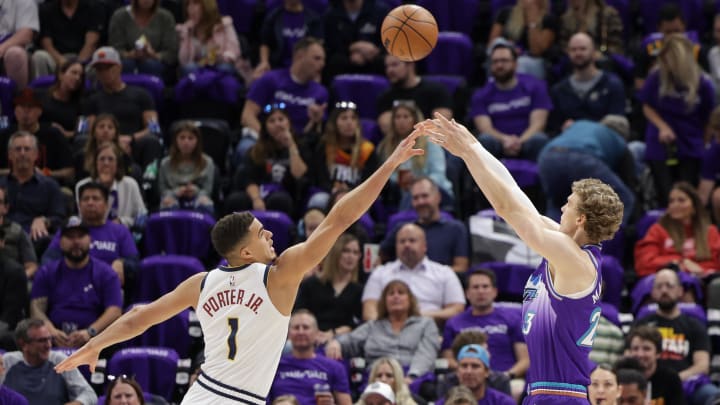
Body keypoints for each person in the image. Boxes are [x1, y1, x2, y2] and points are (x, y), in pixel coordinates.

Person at [53, 128, 425, 403]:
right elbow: (339, 219)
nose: (271, 238)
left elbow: (141, 317)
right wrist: (389, 164)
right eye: (262, 234)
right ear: (245, 251)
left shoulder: (201, 283)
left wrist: (95, 344)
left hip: (201, 394)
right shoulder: (280, 275)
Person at [418, 113, 623, 403]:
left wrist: (468, 152)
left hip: (561, 395)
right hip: (542, 392)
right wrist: (475, 146)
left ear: (581, 219)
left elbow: (508, 209)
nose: (561, 208)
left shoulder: (575, 260)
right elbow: (514, 194)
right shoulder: (566, 248)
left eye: (568, 204)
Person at [639, 34, 715, 207]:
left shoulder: (704, 83)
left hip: (691, 140)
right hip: (661, 140)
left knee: (686, 194)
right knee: (665, 194)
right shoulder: (656, 76)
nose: (666, 65)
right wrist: (662, 126)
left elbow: (709, 119)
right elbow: (647, 106)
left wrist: (703, 143)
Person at [31, 215, 123, 348]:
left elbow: (114, 311)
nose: (76, 241)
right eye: (70, 237)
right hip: (52, 341)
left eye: (80, 236)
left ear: (90, 239)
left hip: (94, 341)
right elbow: (36, 309)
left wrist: (90, 332)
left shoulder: (106, 273)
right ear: (60, 242)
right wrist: (51, 332)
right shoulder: (46, 272)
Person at [632, 268, 719, 405]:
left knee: (712, 395)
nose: (664, 290)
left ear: (680, 291)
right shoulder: (643, 323)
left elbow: (702, 365)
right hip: (647, 381)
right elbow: (629, 356)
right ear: (653, 293)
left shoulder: (694, 325)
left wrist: (674, 379)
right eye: (659, 286)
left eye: (669, 286)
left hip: (686, 382)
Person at [326, 280, 440, 382]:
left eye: (401, 293)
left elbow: (427, 354)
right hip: (377, 377)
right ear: (384, 301)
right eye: (391, 294)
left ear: (410, 300)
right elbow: (350, 340)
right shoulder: (373, 326)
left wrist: (412, 377)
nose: (396, 296)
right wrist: (336, 343)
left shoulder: (426, 324)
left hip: (413, 377)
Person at [537, 116, 636, 225]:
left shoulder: (581, 123)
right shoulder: (618, 140)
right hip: (582, 158)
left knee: (558, 203)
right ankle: (610, 240)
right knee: (624, 199)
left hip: (548, 156)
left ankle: (550, 238)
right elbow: (629, 178)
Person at [361, 224, 465, 323]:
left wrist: (418, 317)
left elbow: (457, 309)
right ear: (396, 246)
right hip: (388, 332)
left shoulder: (444, 273)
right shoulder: (380, 273)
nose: (406, 245)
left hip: (432, 331)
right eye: (402, 241)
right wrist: (388, 325)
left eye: (412, 240)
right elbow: (369, 310)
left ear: (424, 246)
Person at [42, 182, 140, 285]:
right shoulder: (69, 230)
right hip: (71, 284)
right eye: (85, 199)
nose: (90, 203)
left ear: (106, 205)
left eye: (95, 198)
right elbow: (48, 260)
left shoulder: (120, 231)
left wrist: (122, 263)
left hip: (107, 286)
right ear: (79, 205)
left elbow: (135, 263)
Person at [83, 46, 163, 169]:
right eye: (99, 69)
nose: (104, 72)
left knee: (152, 141)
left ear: (119, 68)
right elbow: (89, 130)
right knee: (81, 142)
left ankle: (149, 183)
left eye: (108, 68)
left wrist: (130, 139)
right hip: (102, 145)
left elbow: (153, 128)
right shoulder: (92, 99)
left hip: (133, 142)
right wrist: (111, 143)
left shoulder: (141, 95)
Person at [470, 43, 552, 162]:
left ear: (515, 64)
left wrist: (519, 141)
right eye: (495, 61)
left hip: (527, 141)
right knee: (484, 140)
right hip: (497, 143)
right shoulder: (481, 94)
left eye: (504, 61)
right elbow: (485, 128)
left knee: (539, 139)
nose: (499, 65)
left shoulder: (535, 86)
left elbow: (538, 124)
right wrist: (505, 140)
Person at [226, 104, 310, 218]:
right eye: (272, 121)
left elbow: (299, 174)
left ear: (289, 123)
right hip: (258, 191)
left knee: (280, 200)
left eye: (281, 119)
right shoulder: (255, 150)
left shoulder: (301, 146)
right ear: (265, 127)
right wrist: (256, 199)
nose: (277, 124)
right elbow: (247, 178)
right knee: (235, 200)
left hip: (286, 193)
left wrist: (291, 145)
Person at [441, 269, 528, 379]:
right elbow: (448, 359)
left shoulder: (513, 319)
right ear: (467, 293)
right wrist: (470, 372)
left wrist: (506, 376)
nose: (480, 291)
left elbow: (525, 360)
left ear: (495, 292)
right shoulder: (453, 322)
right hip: (466, 379)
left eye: (485, 287)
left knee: (517, 389)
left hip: (507, 378)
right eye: (476, 287)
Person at [240, 36, 328, 142]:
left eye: (323, 60)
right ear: (299, 57)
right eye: (317, 58)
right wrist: (268, 140)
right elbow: (247, 115)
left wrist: (315, 121)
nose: (322, 64)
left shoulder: (320, 92)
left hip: (299, 143)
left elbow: (315, 135)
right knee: (245, 147)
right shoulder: (271, 79)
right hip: (264, 139)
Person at [379, 177, 469, 273]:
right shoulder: (403, 229)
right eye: (416, 198)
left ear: (438, 197)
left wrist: (424, 275)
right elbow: (379, 256)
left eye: (425, 196)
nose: (420, 202)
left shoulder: (456, 229)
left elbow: (461, 267)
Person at [376, 102, 453, 210]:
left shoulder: (430, 141)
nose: (401, 121)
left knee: (413, 194)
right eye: (398, 117)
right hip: (401, 194)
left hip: (436, 190)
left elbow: (438, 174)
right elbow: (385, 176)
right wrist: (400, 180)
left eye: (406, 117)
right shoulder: (386, 146)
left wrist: (417, 182)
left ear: (415, 119)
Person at [635, 182, 720, 278]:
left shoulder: (710, 232)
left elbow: (716, 264)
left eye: (681, 200)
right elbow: (644, 264)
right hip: (669, 281)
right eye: (671, 201)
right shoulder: (657, 230)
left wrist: (697, 269)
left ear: (694, 207)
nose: (675, 205)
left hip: (703, 280)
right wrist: (680, 263)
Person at [3, 318, 97, 404]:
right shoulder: (7, 361)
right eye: (42, 340)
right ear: (23, 344)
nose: (48, 345)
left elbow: (89, 394)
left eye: (49, 339)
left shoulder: (59, 360)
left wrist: (75, 404)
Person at [267, 310, 351, 405]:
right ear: (288, 333)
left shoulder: (335, 367)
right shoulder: (274, 366)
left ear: (316, 333)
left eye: (306, 327)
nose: (301, 332)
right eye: (296, 327)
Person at [549, 32, 626, 134]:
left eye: (583, 49)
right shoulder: (559, 90)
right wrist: (562, 128)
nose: (578, 53)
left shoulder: (612, 85)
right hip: (569, 142)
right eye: (573, 50)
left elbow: (618, 125)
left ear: (594, 52)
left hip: (603, 142)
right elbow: (553, 128)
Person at [308, 101, 379, 211]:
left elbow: (371, 182)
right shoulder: (325, 147)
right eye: (344, 118)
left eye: (353, 118)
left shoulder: (367, 150)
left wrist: (350, 191)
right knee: (318, 200)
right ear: (334, 123)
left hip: (358, 197)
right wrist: (335, 189)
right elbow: (320, 178)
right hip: (329, 194)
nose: (349, 122)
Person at [0, 132, 66, 249]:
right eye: (18, 149)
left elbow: (60, 219)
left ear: (36, 155)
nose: (22, 153)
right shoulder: (1, 184)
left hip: (35, 240)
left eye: (27, 149)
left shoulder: (50, 186)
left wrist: (45, 221)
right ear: (10, 155)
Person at [294, 233, 363, 343]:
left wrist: (333, 333)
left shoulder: (358, 290)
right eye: (346, 251)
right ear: (335, 253)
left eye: (355, 252)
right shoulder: (311, 284)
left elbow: (357, 324)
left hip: (341, 339)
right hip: (308, 335)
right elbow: (299, 312)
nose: (351, 256)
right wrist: (313, 333)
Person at [0, 88, 75, 184]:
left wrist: (48, 174)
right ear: (15, 111)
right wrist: (13, 172)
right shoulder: (3, 135)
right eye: (22, 107)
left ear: (40, 111)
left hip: (46, 187)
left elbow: (69, 171)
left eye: (30, 107)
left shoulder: (53, 135)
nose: (25, 112)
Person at [375, 55, 453, 138]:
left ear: (410, 64)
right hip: (398, 144)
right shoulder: (385, 96)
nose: (389, 70)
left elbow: (441, 125)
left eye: (394, 65)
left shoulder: (436, 90)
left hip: (430, 143)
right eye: (387, 66)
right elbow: (387, 128)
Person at [75, 143, 147, 228]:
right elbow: (83, 218)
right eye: (102, 159)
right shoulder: (82, 186)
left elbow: (142, 216)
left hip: (123, 234)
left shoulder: (130, 184)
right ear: (95, 163)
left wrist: (121, 221)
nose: (106, 163)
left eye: (111, 159)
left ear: (117, 164)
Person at [176, 0, 250, 81]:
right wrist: (186, 34)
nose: (190, 8)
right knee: (189, 68)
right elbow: (184, 61)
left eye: (195, 3)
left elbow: (234, 51)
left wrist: (220, 56)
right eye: (188, 4)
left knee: (224, 68)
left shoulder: (224, 24)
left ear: (207, 6)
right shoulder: (188, 29)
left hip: (220, 64)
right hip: (199, 68)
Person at [488, 0, 559, 79]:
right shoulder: (505, 13)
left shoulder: (548, 19)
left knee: (521, 63)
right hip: (507, 55)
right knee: (498, 43)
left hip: (533, 62)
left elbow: (536, 51)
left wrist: (532, 20)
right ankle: (494, 84)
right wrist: (510, 51)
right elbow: (491, 45)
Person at [252, 0, 323, 78]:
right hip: (278, 67)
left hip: (303, 68)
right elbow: (265, 43)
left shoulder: (313, 19)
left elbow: (317, 46)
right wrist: (264, 62)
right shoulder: (273, 17)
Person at [157, 121, 215, 215]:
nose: (186, 142)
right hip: (173, 196)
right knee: (167, 204)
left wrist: (195, 190)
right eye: (182, 138)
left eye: (190, 138)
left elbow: (207, 190)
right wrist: (176, 192)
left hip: (198, 196)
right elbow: (163, 190)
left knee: (205, 204)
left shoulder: (207, 162)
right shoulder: (165, 163)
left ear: (197, 141)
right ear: (176, 140)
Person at [32, 0, 102, 78]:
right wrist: (64, 63)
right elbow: (47, 45)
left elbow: (91, 43)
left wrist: (77, 65)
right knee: (39, 56)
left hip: (84, 59)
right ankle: (42, 89)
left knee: (102, 56)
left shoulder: (93, 7)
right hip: (56, 59)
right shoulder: (45, 9)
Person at [109, 0, 178, 77]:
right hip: (127, 62)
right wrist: (129, 55)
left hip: (156, 65)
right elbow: (114, 49)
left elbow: (171, 53)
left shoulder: (166, 17)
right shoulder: (119, 16)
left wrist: (154, 55)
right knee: (127, 65)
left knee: (150, 66)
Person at [625, 325, 686, 404]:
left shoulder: (670, 378)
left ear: (658, 353)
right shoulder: (621, 377)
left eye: (646, 349)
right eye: (635, 349)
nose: (640, 354)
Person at [437, 344, 515, 405]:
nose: (469, 371)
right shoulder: (444, 403)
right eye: (464, 366)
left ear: (487, 372)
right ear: (457, 371)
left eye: (475, 366)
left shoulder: (503, 402)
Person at [38, 59, 85, 140]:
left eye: (80, 76)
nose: (77, 78)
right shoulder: (40, 96)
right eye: (74, 73)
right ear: (61, 74)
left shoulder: (81, 103)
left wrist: (65, 133)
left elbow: (81, 132)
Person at [0, 186, 38, 278]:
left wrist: (17, 280)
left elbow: (32, 267)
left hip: (11, 282)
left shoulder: (17, 231)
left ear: (6, 208)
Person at [0, 0, 38, 89]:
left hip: (12, 50)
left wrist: (2, 48)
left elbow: (26, 35)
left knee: (15, 53)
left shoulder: (25, 2)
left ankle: (19, 99)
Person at [355, 357, 423, 405]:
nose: (383, 379)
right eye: (379, 376)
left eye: (389, 375)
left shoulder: (407, 401)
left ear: (397, 379)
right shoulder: (366, 398)